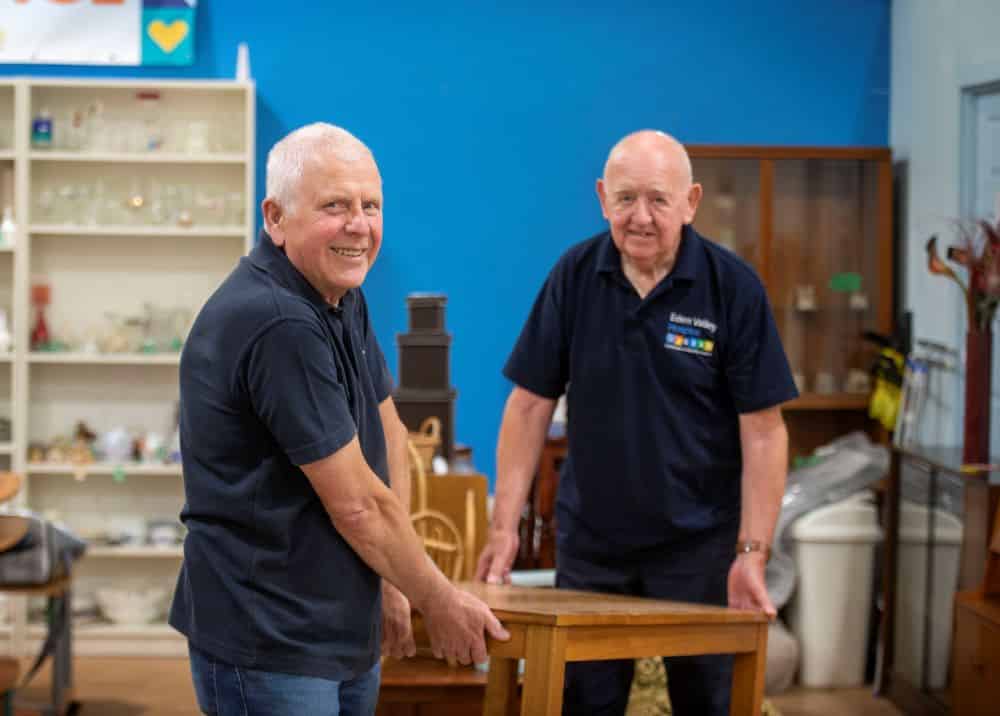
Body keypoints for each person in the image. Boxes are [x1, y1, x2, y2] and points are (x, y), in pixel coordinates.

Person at [170, 123, 508, 716]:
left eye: (370, 205)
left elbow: (391, 435)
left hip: (337, 629)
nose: (359, 225)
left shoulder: (338, 295)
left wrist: (393, 579)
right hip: (270, 639)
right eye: (335, 206)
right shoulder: (277, 322)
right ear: (275, 218)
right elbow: (357, 504)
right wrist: (439, 598)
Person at [476, 130, 797, 715]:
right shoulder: (573, 277)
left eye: (659, 199)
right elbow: (527, 406)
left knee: (708, 702)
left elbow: (764, 429)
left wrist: (752, 551)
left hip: (700, 546)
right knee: (585, 703)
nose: (640, 217)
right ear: (602, 198)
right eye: (625, 199)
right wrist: (503, 528)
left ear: (691, 202)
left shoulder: (733, 289)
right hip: (594, 545)